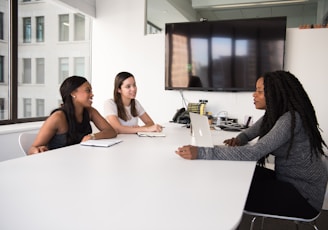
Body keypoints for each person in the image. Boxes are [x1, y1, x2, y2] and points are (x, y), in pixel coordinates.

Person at [176, 70, 328, 219]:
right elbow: (249, 133)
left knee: (231, 190)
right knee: (236, 174)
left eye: (260, 91)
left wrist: (202, 152)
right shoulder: (275, 115)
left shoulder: (289, 119)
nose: (254, 95)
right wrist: (239, 139)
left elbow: (254, 152)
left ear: (276, 94)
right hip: (288, 180)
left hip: (303, 196)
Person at [28, 76, 117, 155]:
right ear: (73, 93)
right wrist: (38, 150)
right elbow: (32, 150)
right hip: (58, 165)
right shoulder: (58, 117)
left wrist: (92, 136)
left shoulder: (90, 112)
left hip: (79, 161)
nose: (92, 94)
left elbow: (111, 131)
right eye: (88, 90)